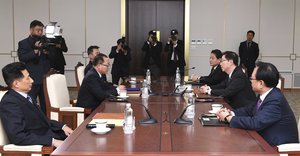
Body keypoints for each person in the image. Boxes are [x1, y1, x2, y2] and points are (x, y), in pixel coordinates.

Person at [217, 61, 298, 146]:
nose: (250, 81)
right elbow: (249, 110)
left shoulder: (275, 100)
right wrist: (231, 113)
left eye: (251, 79)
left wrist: (229, 118)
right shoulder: (267, 94)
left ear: (261, 83)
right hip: (263, 139)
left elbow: (256, 123)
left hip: (278, 147)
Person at [0, 62, 73, 148]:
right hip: (43, 146)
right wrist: (53, 142)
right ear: (16, 84)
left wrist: (63, 126)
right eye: (28, 78)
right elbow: (18, 136)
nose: (32, 80)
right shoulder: (10, 103)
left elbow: (42, 120)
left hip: (51, 135)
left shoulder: (26, 95)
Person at [17, 20, 50, 114]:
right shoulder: (23, 43)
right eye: (37, 30)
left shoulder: (44, 42)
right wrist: (35, 50)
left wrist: (47, 52)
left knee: (46, 103)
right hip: (32, 78)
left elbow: (50, 58)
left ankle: (45, 121)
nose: (40, 32)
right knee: (30, 102)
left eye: (41, 30)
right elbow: (22, 58)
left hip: (44, 77)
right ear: (31, 30)